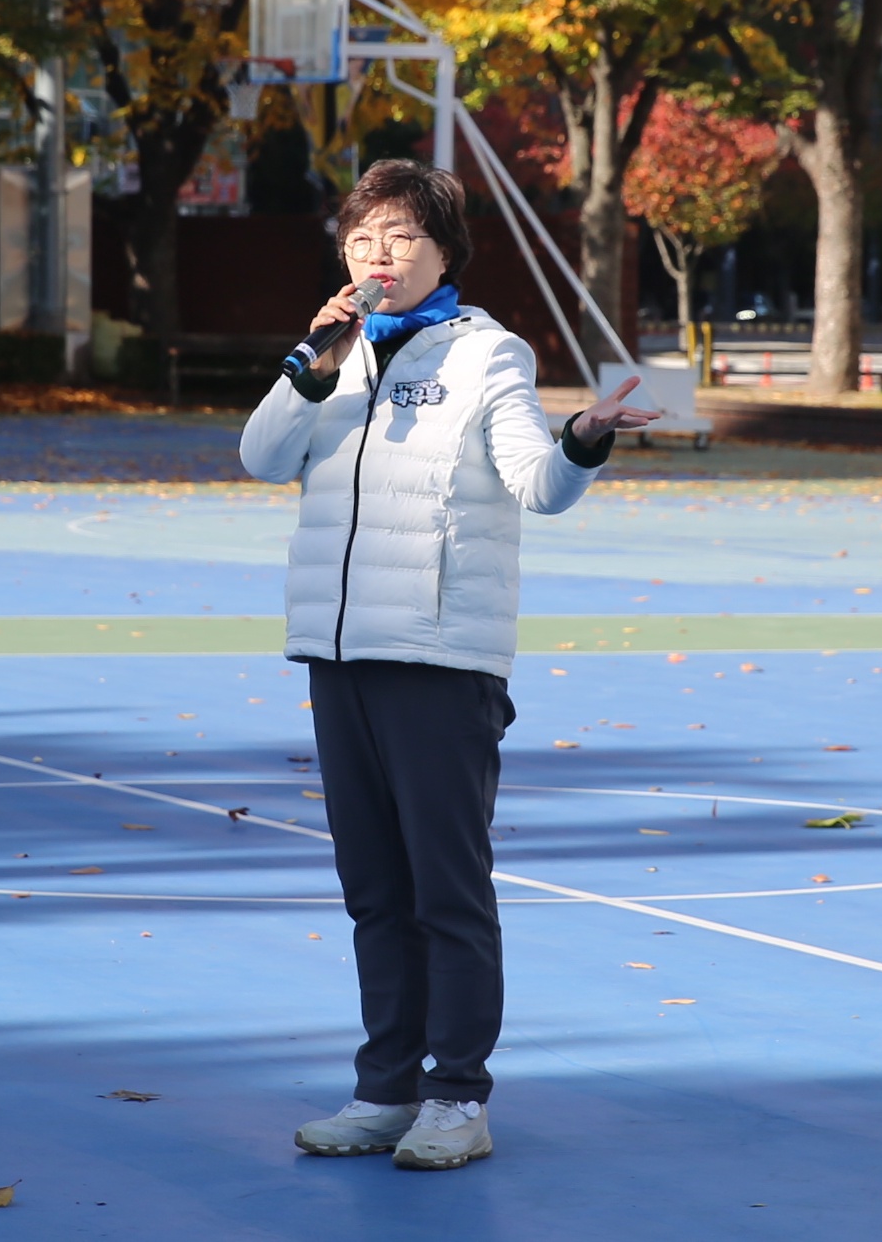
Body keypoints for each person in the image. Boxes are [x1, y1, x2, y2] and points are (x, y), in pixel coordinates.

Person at [240, 159, 657, 1169]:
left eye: (402, 237)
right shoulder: (332, 359)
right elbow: (261, 455)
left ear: (443, 253)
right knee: (374, 889)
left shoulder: (488, 354)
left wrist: (585, 440)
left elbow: (538, 485)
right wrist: (310, 357)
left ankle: (456, 1097)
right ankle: (383, 1089)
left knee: (445, 889)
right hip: (338, 654)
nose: (380, 253)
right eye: (363, 238)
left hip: (438, 655)